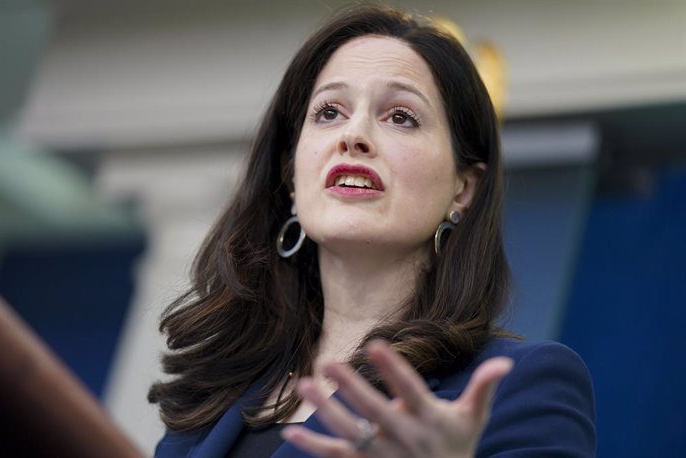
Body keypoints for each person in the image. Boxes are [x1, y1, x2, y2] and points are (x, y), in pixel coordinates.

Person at [149, 5, 596, 457]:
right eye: (328, 112)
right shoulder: (213, 394)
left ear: (463, 189)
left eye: (401, 116)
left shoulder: (522, 384)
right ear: (290, 176)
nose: (353, 134)